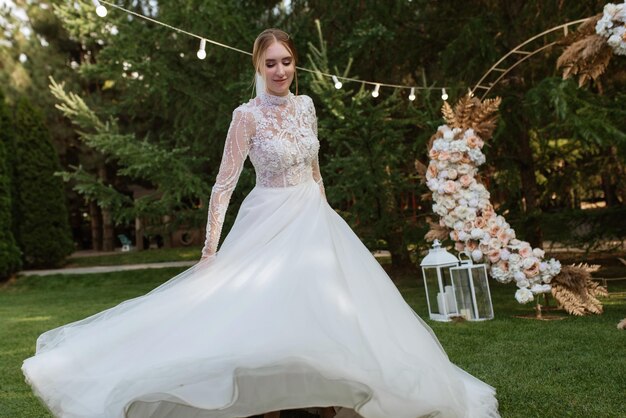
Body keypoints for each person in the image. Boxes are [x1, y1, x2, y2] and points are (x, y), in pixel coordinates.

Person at [22, 28, 500, 418]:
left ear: (295, 64)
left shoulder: (308, 106)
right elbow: (224, 184)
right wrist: (210, 248)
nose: (280, 71)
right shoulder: (245, 117)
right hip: (267, 218)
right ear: (258, 66)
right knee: (259, 310)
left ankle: (328, 395)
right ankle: (261, 402)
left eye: (286, 61)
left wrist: (327, 212)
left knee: (330, 310)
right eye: (270, 63)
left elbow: (315, 169)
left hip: (314, 219)